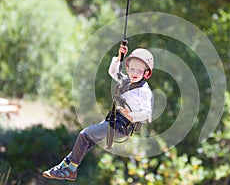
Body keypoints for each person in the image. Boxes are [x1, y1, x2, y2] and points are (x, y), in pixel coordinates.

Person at [42, 44, 154, 181]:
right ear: (128, 69)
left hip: (121, 126)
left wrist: (132, 116)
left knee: (85, 134)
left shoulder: (143, 91)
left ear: (146, 73)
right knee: (87, 141)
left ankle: (71, 170)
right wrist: (119, 56)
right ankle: (63, 166)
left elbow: (147, 113)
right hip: (113, 121)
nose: (135, 73)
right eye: (132, 69)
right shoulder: (126, 81)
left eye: (139, 70)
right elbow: (113, 72)